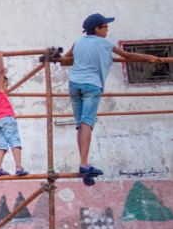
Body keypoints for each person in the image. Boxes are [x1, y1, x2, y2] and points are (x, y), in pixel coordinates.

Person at [63, 13, 160, 187]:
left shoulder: (78, 42)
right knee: (87, 123)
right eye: (105, 27)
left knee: (80, 125)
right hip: (91, 85)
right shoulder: (105, 44)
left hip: (74, 85)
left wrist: (80, 58)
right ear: (97, 29)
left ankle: (84, 164)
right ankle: (83, 165)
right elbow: (127, 56)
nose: (107, 30)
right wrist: (148, 57)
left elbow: (64, 61)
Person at [0, 52, 28, 177]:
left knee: (2, 145)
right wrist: (0, 57)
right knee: (15, 141)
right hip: (7, 119)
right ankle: (19, 167)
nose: (7, 88)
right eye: (6, 85)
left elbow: (2, 82)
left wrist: (3, 75)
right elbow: (0, 73)